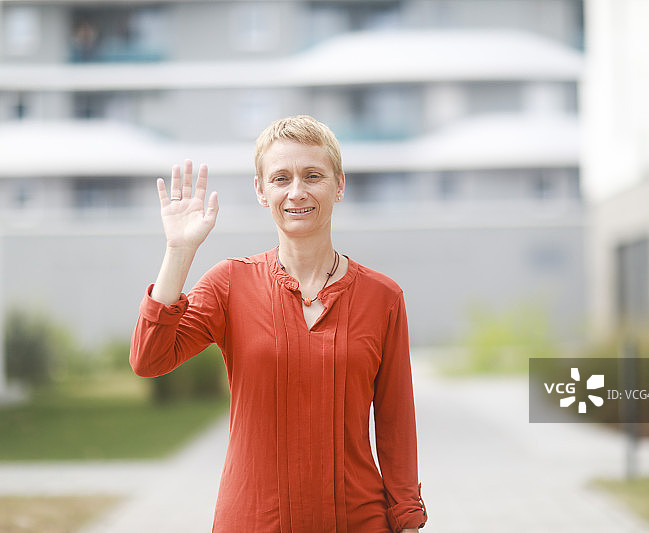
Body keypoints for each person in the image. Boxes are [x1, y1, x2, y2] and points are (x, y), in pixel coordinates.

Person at [130, 115, 427, 532]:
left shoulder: (383, 297)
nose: (296, 192)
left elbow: (397, 424)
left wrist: (407, 519)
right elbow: (149, 358)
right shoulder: (229, 283)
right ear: (261, 190)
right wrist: (179, 251)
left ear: (339, 185)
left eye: (313, 176)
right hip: (252, 520)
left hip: (358, 521)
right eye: (281, 178)